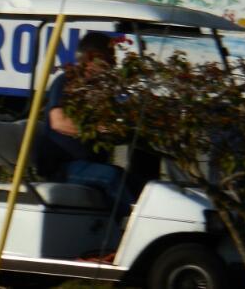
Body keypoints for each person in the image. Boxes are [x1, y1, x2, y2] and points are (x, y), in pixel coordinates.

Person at [33, 31, 155, 216]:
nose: (113, 64)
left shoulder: (101, 91)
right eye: (109, 59)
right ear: (91, 57)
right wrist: (97, 130)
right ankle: (126, 226)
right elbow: (58, 121)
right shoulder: (66, 82)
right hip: (64, 168)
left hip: (92, 166)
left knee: (140, 184)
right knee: (111, 177)